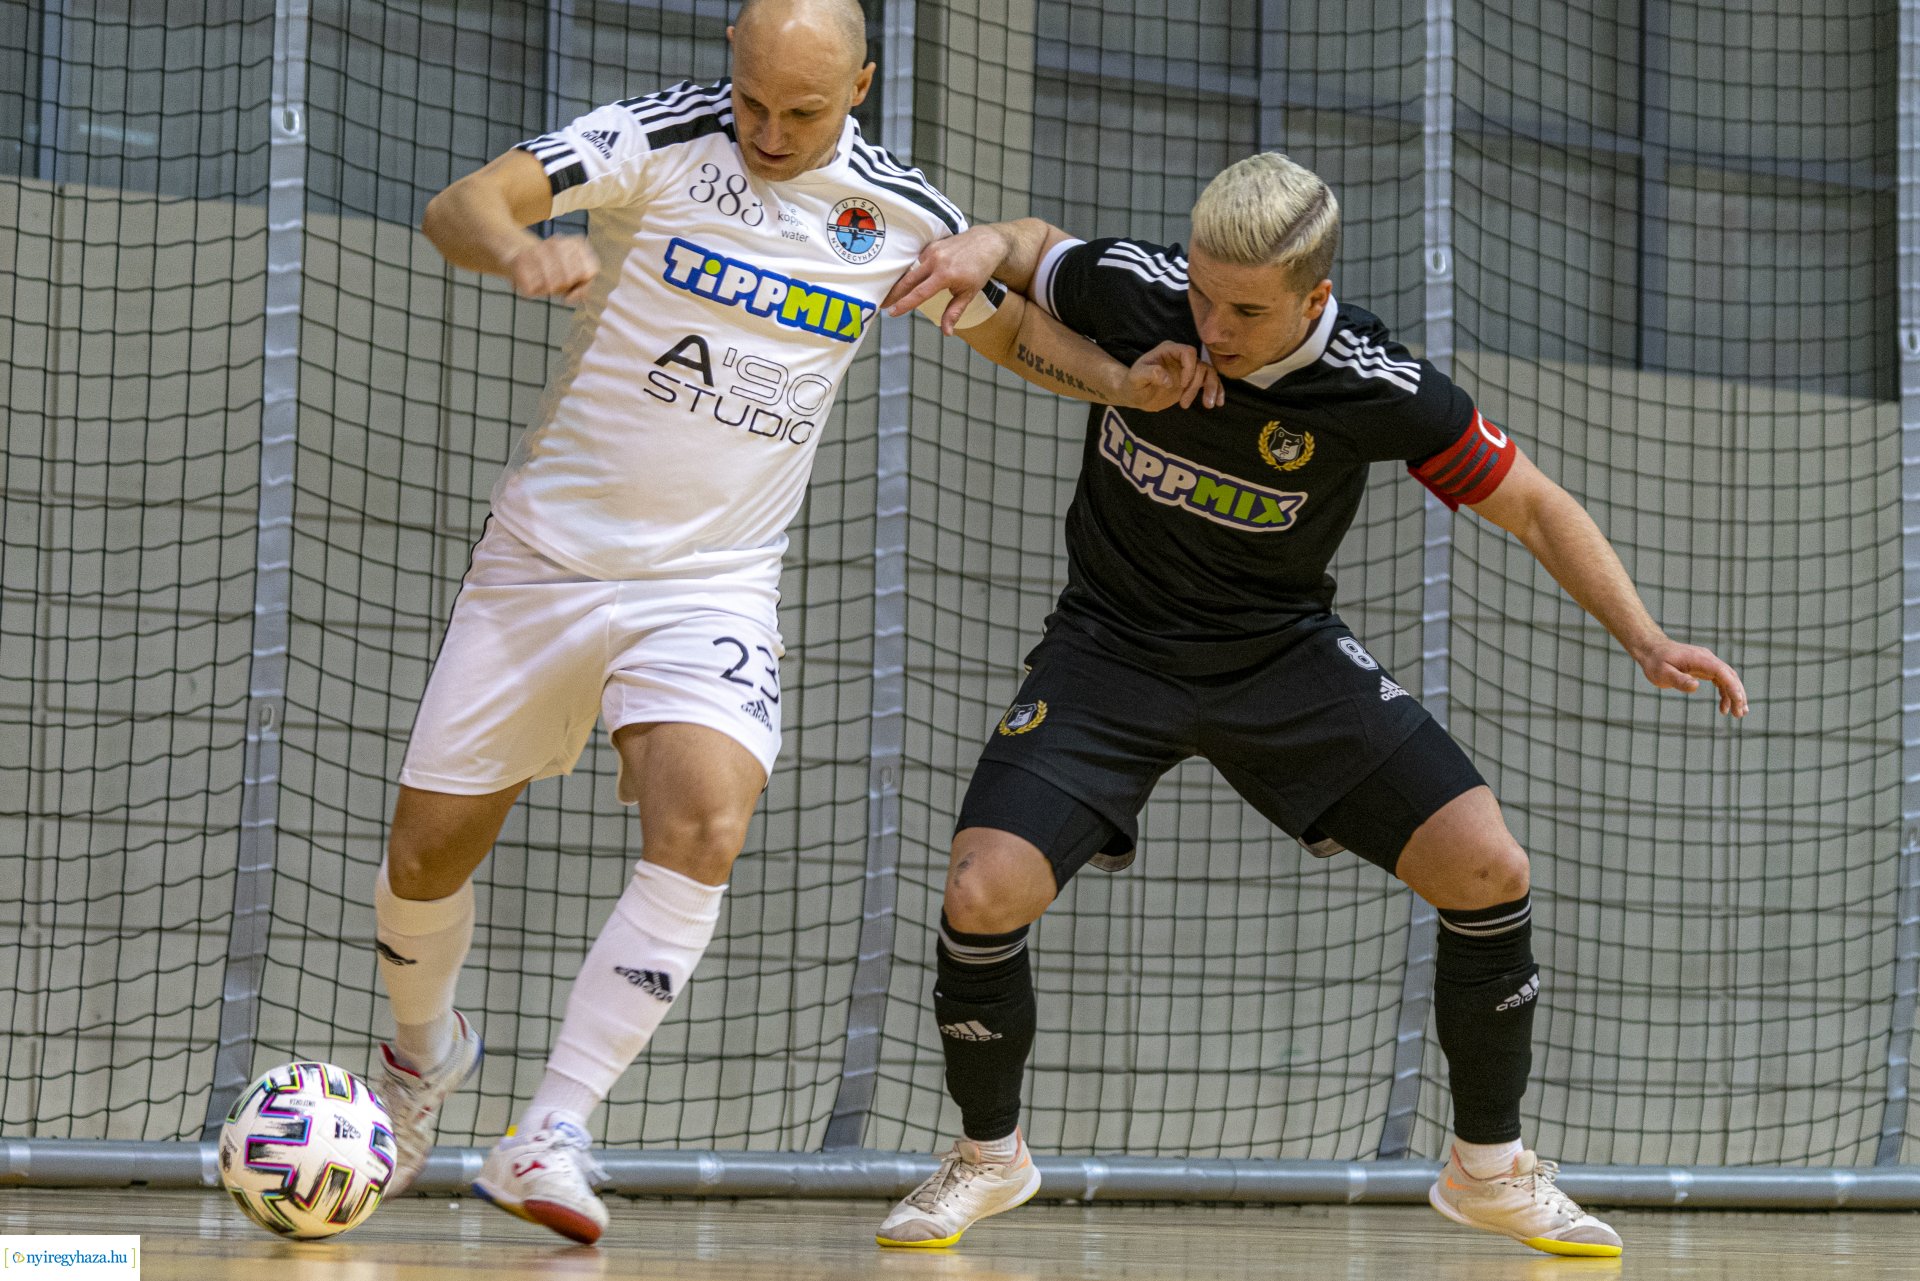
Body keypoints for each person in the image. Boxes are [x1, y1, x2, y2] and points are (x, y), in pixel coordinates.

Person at [378, 0, 1213, 1245]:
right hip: (542, 565)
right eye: (757, 98)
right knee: (426, 858)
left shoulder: (895, 218)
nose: (771, 129)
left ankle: (551, 1128)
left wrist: (1115, 381)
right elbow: (464, 203)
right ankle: (418, 1058)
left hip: (709, 586)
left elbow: (1002, 327)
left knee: (709, 818)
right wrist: (517, 250)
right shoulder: (655, 140)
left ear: (862, 86)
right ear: (734, 64)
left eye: (804, 109)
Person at [872, 152, 1748, 1258]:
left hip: (1279, 657)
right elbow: (1031, 243)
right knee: (981, 890)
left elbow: (1530, 505)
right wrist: (974, 247)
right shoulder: (1141, 289)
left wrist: (1649, 637)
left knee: (1488, 867)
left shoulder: (1383, 389)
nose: (1213, 324)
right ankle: (989, 1158)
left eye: (1245, 309)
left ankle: (1489, 1169)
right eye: (1202, 293)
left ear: (1313, 301)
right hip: (1111, 647)